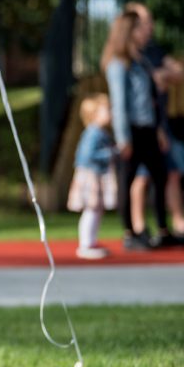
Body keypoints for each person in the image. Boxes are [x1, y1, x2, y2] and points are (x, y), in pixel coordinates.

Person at [125, 3, 184, 245]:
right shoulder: (129, 55)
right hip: (144, 126)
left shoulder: (153, 51)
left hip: (159, 122)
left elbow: (178, 73)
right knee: (141, 177)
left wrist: (161, 75)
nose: (150, 27)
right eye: (145, 22)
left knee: (171, 172)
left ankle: (178, 224)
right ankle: (138, 228)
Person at [102, 10, 183, 251]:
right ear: (128, 32)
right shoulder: (119, 63)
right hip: (132, 130)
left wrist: (158, 128)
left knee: (160, 176)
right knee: (127, 180)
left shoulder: (142, 61)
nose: (144, 31)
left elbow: (150, 98)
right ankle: (130, 233)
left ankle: (162, 230)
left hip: (148, 128)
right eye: (138, 28)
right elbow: (119, 103)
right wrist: (123, 138)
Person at [67, 94, 117, 260]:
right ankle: (85, 244)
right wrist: (111, 153)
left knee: (96, 209)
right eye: (107, 110)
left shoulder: (100, 133)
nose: (111, 113)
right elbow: (87, 155)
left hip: (95, 174)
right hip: (90, 175)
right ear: (94, 115)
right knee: (92, 208)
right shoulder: (93, 133)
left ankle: (91, 241)